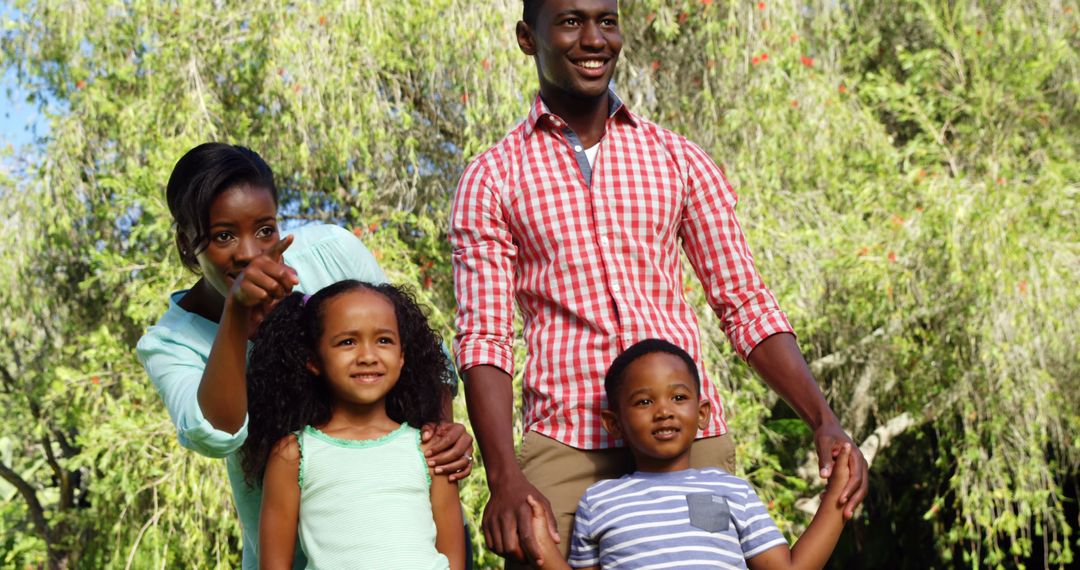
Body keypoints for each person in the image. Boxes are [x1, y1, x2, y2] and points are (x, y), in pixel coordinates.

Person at [448, 0, 867, 565]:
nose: (594, 38)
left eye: (607, 21)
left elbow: (743, 302)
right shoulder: (492, 176)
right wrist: (503, 476)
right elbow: (486, 338)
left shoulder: (678, 158)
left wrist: (824, 420)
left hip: (690, 446)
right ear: (528, 38)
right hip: (570, 441)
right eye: (571, 22)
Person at [137, 143, 473, 569]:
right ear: (187, 244)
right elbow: (217, 433)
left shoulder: (330, 252)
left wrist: (442, 434)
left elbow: (428, 359)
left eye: (265, 229)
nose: (249, 252)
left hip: (415, 542)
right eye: (223, 236)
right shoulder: (171, 342)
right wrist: (236, 315)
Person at [526, 339, 850, 570]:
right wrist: (543, 548)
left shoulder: (730, 490)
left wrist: (838, 495)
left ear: (703, 414)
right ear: (614, 424)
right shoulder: (598, 502)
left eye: (679, 397)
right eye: (643, 402)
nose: (664, 411)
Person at [245, 280, 465, 569]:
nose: (367, 357)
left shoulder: (429, 449)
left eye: (384, 340)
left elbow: (453, 559)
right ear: (313, 360)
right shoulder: (293, 455)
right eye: (347, 342)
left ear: (402, 357)